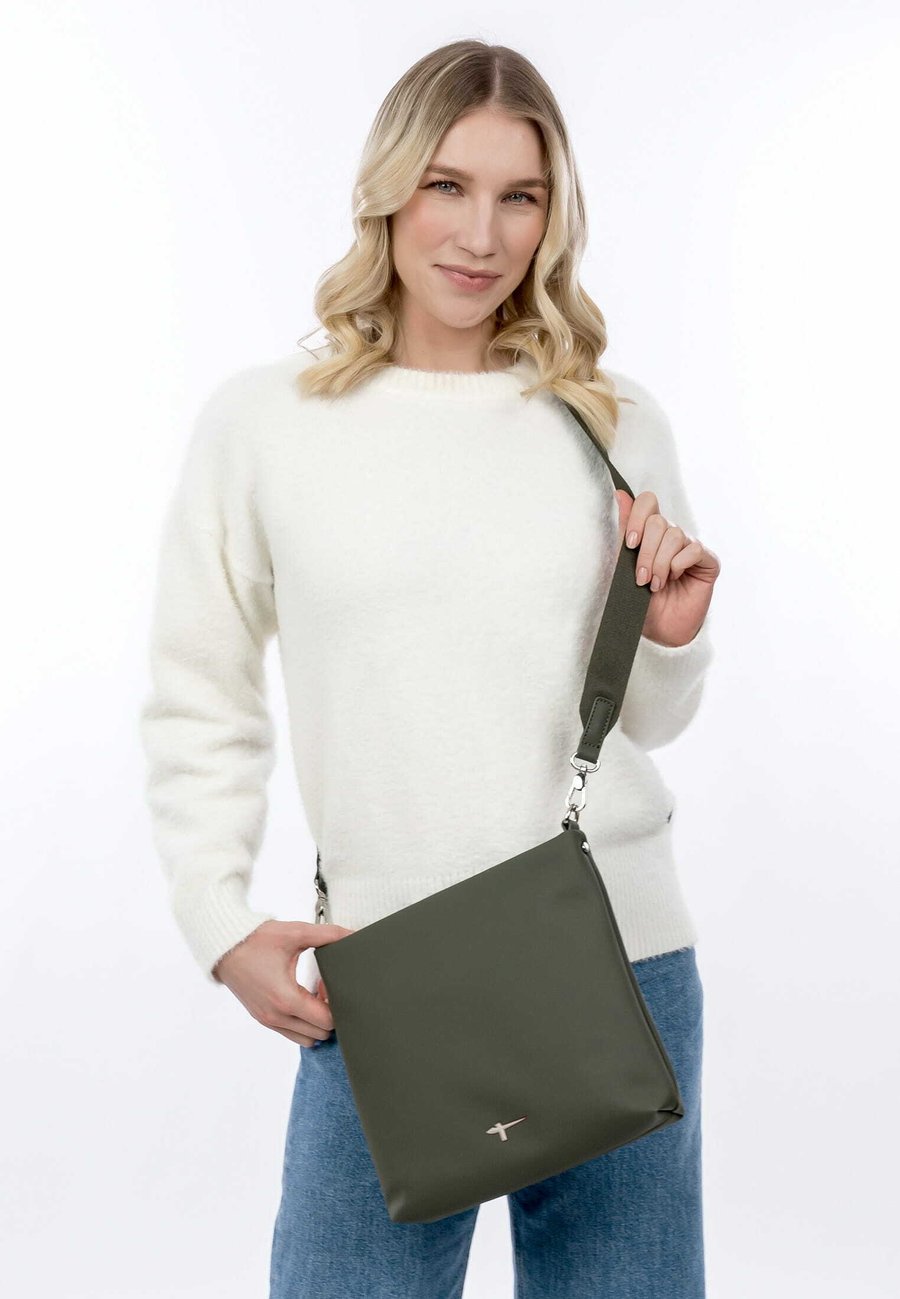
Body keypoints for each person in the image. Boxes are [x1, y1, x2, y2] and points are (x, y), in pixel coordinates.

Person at [139, 37, 721, 1299]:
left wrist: (670, 641)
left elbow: (646, 720)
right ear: (388, 189)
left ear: (554, 217)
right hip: (384, 975)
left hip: (616, 963)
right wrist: (218, 919)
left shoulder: (609, 422)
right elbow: (199, 691)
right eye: (448, 185)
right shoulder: (268, 423)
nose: (480, 234)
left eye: (521, 197)